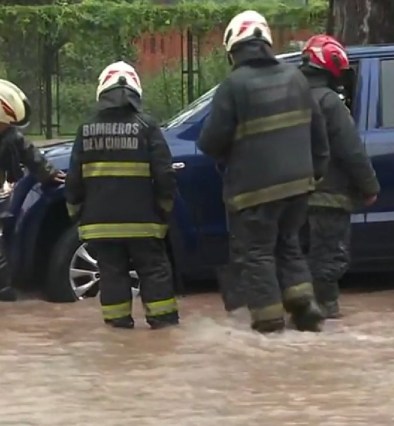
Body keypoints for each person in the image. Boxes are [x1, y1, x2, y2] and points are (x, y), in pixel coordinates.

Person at [196, 10, 330, 334]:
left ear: (234, 48)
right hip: (299, 184)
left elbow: (211, 141)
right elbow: (319, 134)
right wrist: (315, 173)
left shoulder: (233, 85)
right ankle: (304, 305)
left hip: (254, 190)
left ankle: (269, 321)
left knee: (257, 253)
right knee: (288, 244)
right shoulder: (297, 78)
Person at [65, 61, 179, 329]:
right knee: (154, 272)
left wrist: (75, 213)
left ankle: (118, 333)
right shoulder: (147, 126)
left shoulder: (86, 129)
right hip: (144, 223)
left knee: (111, 274)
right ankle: (163, 329)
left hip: (100, 225)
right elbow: (165, 175)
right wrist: (164, 210)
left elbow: (74, 180)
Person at [299, 35, 380, 319]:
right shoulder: (329, 102)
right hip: (328, 196)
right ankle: (323, 314)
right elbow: (351, 149)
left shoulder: (287, 96)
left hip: (291, 196)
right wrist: (369, 187)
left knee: (297, 257)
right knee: (328, 260)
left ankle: (298, 311)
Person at [0, 79, 65, 302]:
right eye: (6, 124)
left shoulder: (9, 136)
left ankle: (4, 291)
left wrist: (48, 172)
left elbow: (28, 152)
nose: (9, 128)